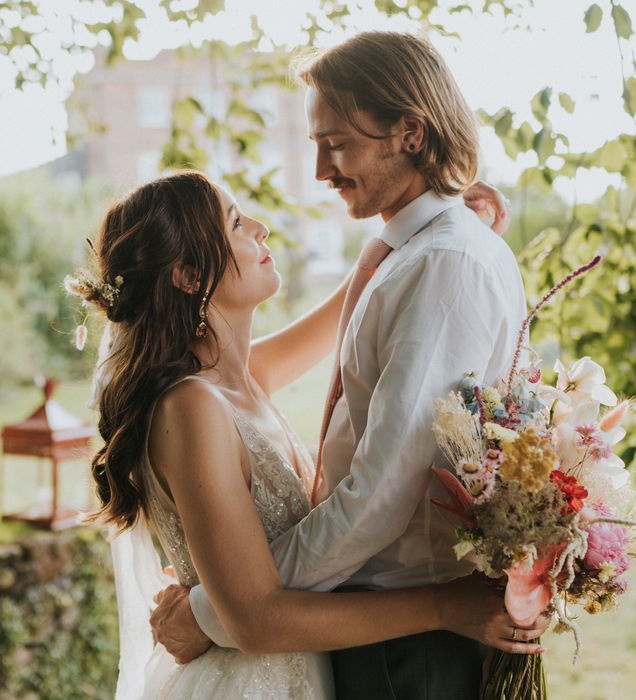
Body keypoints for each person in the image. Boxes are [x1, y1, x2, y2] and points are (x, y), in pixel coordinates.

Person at [148, 31, 545, 699]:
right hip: (378, 634)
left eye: (337, 144)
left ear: (409, 133)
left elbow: (380, 497)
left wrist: (220, 611)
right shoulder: (414, 256)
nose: (321, 172)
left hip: (405, 649)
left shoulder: (444, 262)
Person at [70, 170, 547, 699]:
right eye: (235, 223)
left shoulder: (241, 380)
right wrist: (444, 607)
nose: (261, 228)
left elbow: (358, 299)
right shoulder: (190, 407)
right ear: (187, 274)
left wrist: (434, 216)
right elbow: (256, 619)